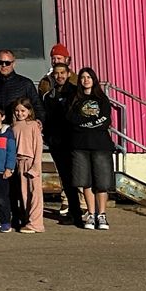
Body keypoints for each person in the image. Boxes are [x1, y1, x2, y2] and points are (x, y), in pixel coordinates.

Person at [67, 67, 116, 231]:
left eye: (89, 77)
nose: (85, 80)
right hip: (80, 146)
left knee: (102, 182)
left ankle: (102, 215)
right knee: (85, 181)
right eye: (82, 77)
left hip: (101, 145)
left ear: (94, 79)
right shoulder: (74, 99)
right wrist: (87, 124)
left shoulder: (102, 99)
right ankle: (91, 213)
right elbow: (72, 119)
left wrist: (85, 124)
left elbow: (105, 120)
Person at [41, 58, 80, 222]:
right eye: (56, 73)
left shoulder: (76, 93)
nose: (59, 76)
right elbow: (46, 118)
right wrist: (49, 137)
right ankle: (73, 212)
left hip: (74, 141)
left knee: (78, 177)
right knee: (65, 178)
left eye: (62, 73)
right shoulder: (49, 95)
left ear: (68, 74)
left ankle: (87, 212)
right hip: (57, 142)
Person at [12, 97, 45, 233]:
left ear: (29, 111)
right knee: (24, 194)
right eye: (17, 111)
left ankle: (36, 224)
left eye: (23, 110)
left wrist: (36, 166)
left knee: (35, 194)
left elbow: (38, 146)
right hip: (18, 162)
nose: (20, 113)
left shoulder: (33, 125)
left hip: (31, 161)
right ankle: (28, 220)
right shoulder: (13, 126)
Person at [0, 50, 44, 120]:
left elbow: (37, 107)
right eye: (0, 62)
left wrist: (39, 121)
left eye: (7, 63)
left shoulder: (26, 83)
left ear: (13, 64)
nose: (4, 65)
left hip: (19, 127)